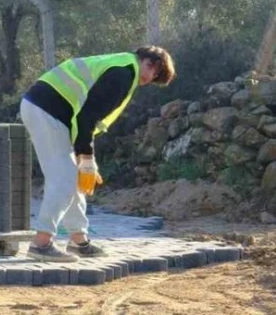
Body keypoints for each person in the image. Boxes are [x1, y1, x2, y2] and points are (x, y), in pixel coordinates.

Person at [20, 46, 176, 262]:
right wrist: (87, 157)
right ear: (140, 59)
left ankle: (78, 241)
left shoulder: (120, 65)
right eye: (150, 66)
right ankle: (41, 244)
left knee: (71, 178)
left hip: (47, 111)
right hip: (47, 111)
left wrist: (83, 156)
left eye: (156, 74)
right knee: (63, 179)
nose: (149, 76)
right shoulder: (123, 74)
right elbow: (87, 116)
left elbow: (84, 116)